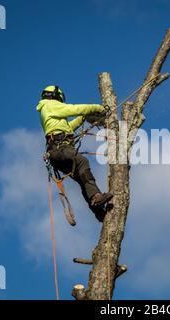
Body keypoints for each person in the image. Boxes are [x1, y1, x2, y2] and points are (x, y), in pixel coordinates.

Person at [36, 85, 113, 222]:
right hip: (61, 148)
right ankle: (96, 197)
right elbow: (74, 109)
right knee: (82, 161)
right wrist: (98, 108)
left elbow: (68, 128)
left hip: (57, 152)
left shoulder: (48, 111)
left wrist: (83, 118)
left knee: (81, 178)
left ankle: (97, 209)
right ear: (56, 96)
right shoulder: (51, 105)